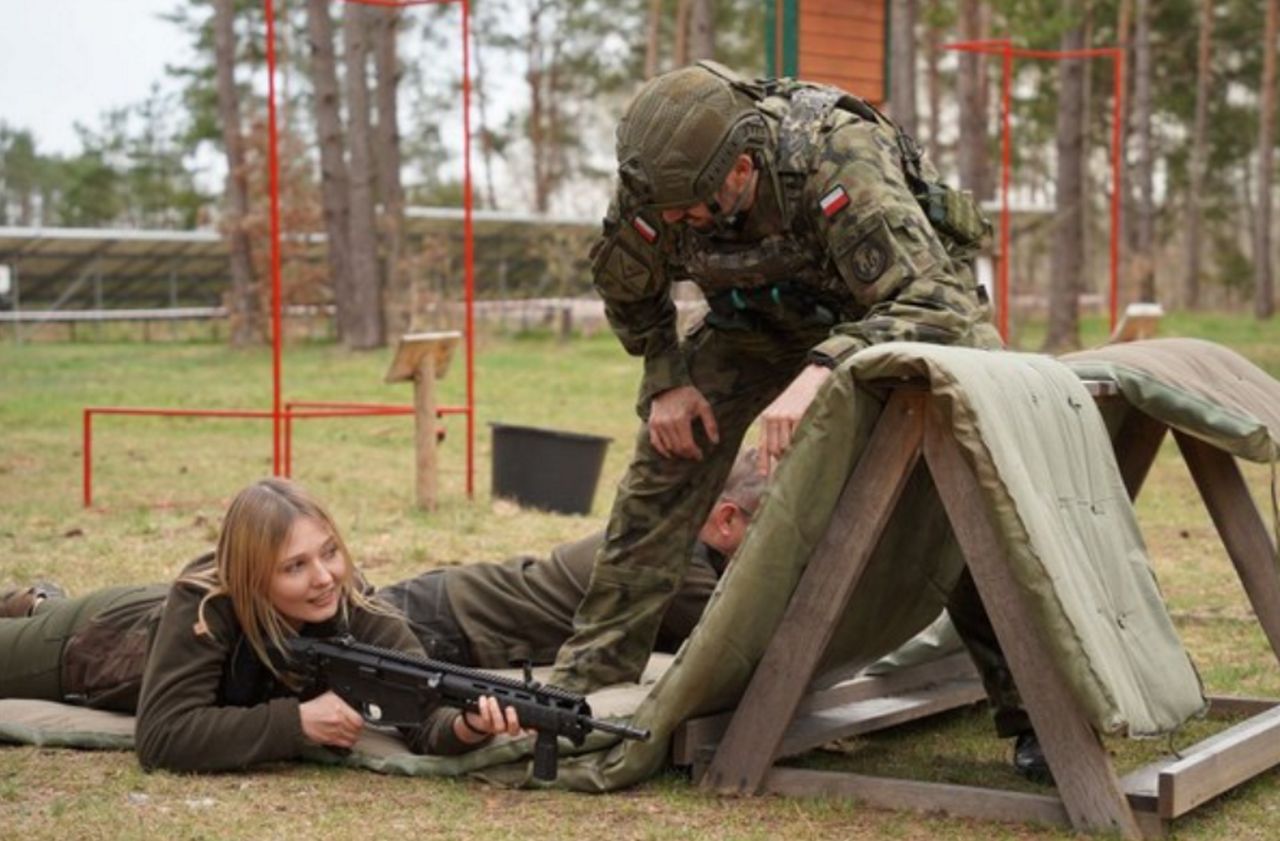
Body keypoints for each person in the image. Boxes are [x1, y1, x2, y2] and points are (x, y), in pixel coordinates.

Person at [551, 62, 1045, 778]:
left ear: (744, 168)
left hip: (886, 319)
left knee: (962, 485)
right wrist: (665, 379)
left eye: (696, 209)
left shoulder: (835, 155)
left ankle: (1031, 710)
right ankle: (589, 681)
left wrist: (824, 369)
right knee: (666, 462)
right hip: (753, 324)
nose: (682, 223)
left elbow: (939, 300)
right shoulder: (657, 182)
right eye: (672, 213)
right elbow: (628, 285)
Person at [0, 478, 521, 772]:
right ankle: (35, 604)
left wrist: (466, 724)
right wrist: (296, 723)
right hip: (94, 642)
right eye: (295, 566)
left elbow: (423, 712)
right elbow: (162, 737)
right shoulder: (203, 604)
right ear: (251, 577)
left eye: (330, 552)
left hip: (152, 615)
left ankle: (35, 598)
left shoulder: (348, 600)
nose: (323, 579)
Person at [378, 446, 767, 670]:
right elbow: (749, 645)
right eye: (770, 528)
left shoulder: (676, 541)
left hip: (454, 612)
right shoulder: (673, 567)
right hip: (444, 622)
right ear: (727, 519)